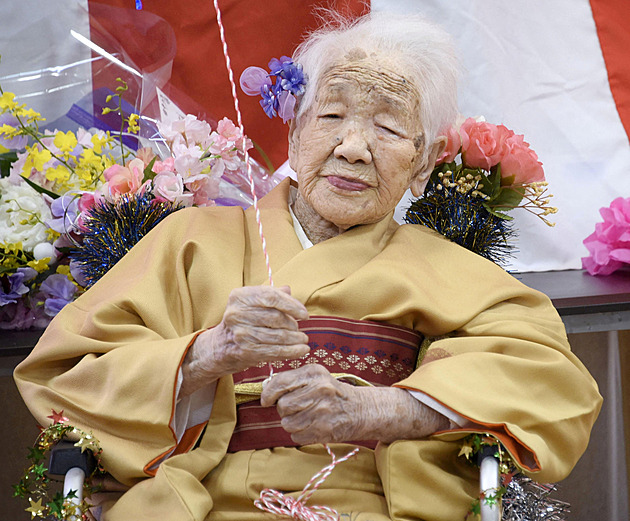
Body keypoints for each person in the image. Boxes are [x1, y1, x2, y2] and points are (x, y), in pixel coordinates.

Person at [14, 11, 602, 521]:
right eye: (331, 118)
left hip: (375, 504)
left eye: (389, 128)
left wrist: (380, 408)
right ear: (295, 135)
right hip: (201, 502)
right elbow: (65, 377)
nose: (352, 146)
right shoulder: (189, 242)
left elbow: (555, 383)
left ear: (422, 166)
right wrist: (205, 354)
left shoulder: (449, 268)